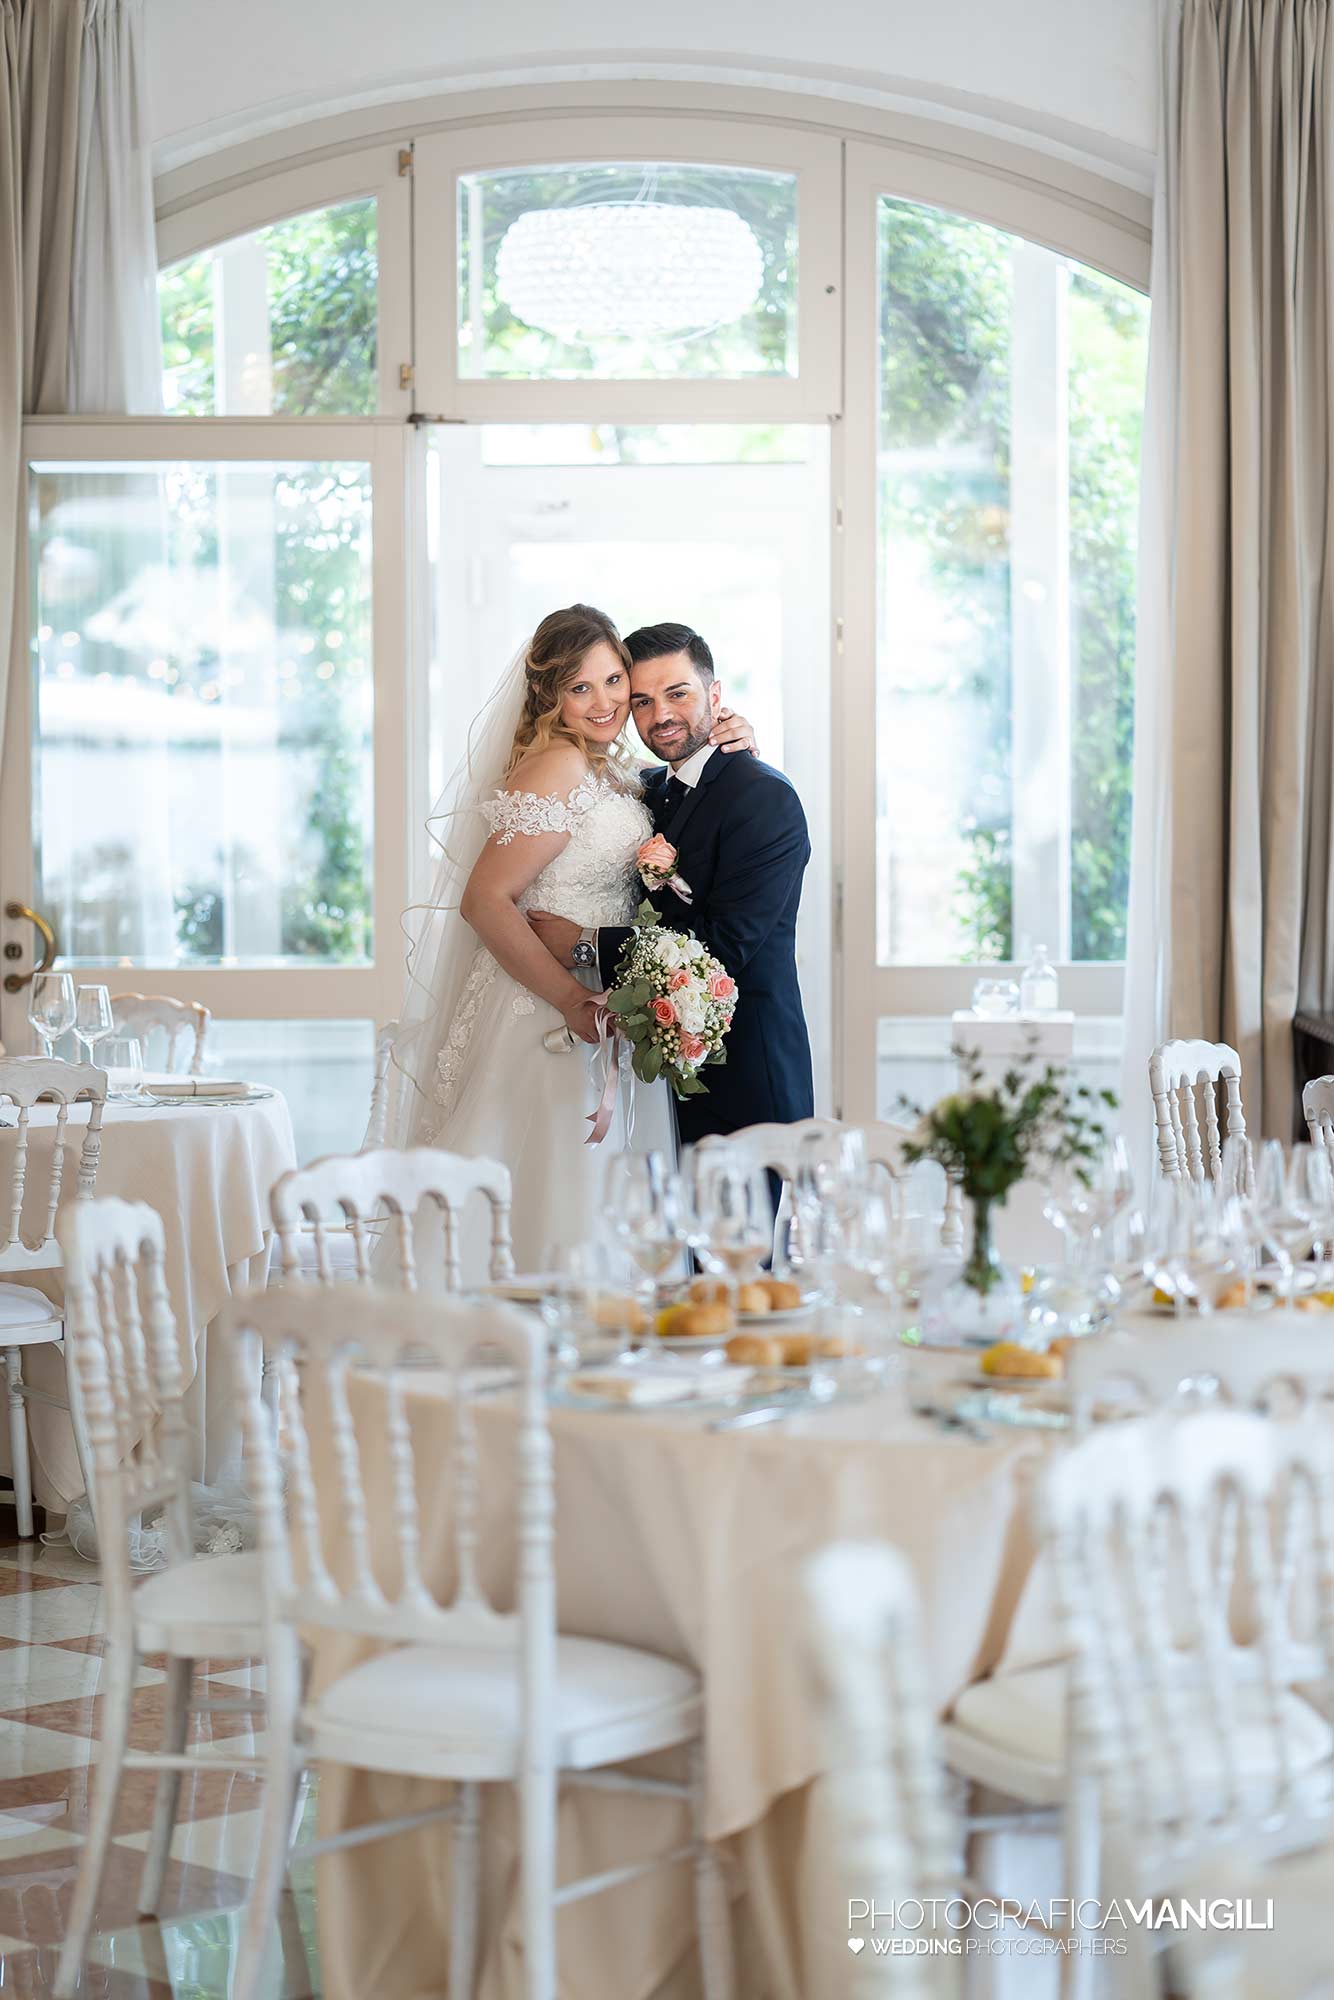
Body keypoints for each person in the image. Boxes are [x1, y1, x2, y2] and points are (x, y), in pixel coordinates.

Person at [386, 604, 758, 1274]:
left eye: (616, 682)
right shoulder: (558, 764)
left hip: (603, 1000)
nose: (607, 702)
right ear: (549, 695)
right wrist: (566, 997)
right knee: (550, 1189)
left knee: (596, 1197)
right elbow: (484, 901)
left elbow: (673, 787)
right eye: (581, 687)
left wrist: (731, 736)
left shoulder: (607, 770)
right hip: (546, 1011)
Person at [527, 620, 814, 1149]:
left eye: (678, 694)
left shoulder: (763, 798)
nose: (660, 715)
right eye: (641, 701)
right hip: (655, 1080)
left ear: (716, 694)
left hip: (743, 1075)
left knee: (736, 1234)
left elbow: (724, 947)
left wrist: (585, 944)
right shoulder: (650, 789)